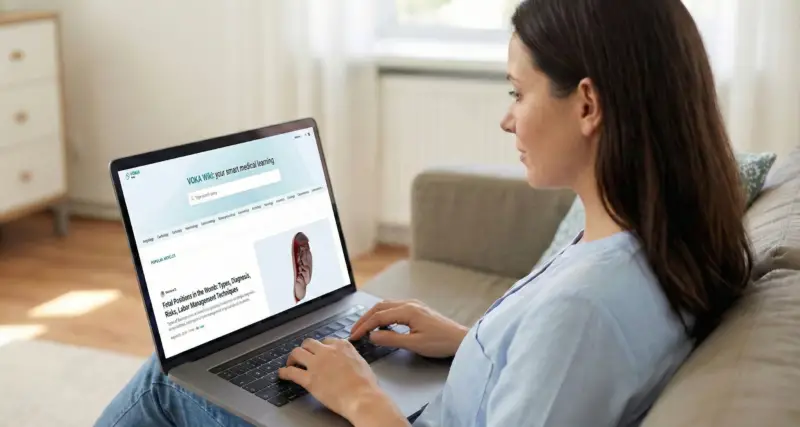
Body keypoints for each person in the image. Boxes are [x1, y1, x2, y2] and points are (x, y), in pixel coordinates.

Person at [95, 0, 754, 426]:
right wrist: (471, 343)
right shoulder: (658, 243)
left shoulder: (585, 310)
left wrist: (359, 395)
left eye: (518, 92)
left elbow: (570, 342)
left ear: (587, 105)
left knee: (167, 380)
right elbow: (556, 380)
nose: (507, 119)